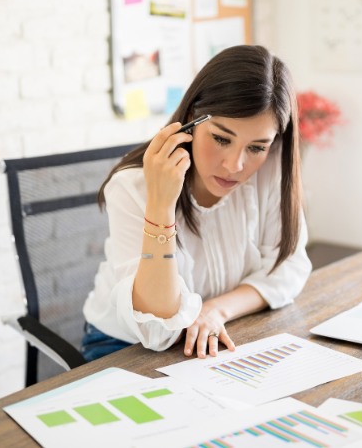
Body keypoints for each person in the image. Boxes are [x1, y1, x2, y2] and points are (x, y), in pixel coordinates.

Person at [81, 45, 312, 361]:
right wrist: (161, 206)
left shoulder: (271, 168)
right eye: (221, 138)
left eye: (257, 147)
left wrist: (216, 309)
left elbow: (290, 267)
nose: (234, 165)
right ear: (191, 119)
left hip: (220, 331)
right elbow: (157, 328)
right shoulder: (132, 186)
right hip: (126, 348)